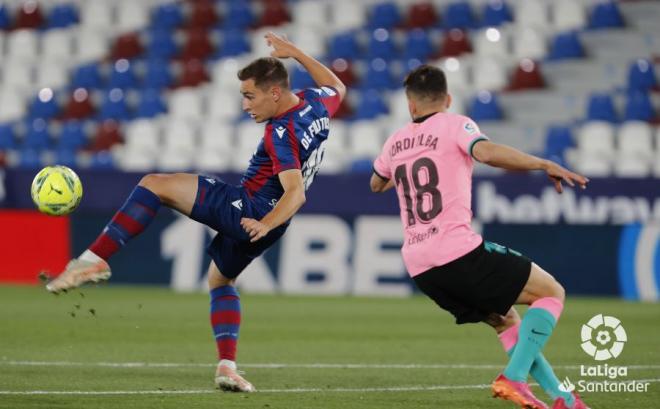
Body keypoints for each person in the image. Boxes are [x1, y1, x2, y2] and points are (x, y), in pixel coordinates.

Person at [44, 32, 346, 393]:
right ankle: (227, 367)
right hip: (267, 222)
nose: (246, 105)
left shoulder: (281, 132)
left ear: (275, 93)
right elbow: (337, 86)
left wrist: (263, 223)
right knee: (220, 282)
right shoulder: (315, 103)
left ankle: (93, 260)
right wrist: (295, 53)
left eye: (250, 96)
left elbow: (295, 193)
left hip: (249, 211)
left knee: (155, 184)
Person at [369, 65, 590, 409]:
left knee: (505, 320)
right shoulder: (457, 123)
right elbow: (484, 152)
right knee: (551, 292)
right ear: (448, 99)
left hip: (420, 266)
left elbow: (376, 183)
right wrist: (542, 163)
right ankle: (514, 378)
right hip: (455, 250)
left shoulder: (395, 141)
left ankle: (563, 399)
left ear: (410, 105)